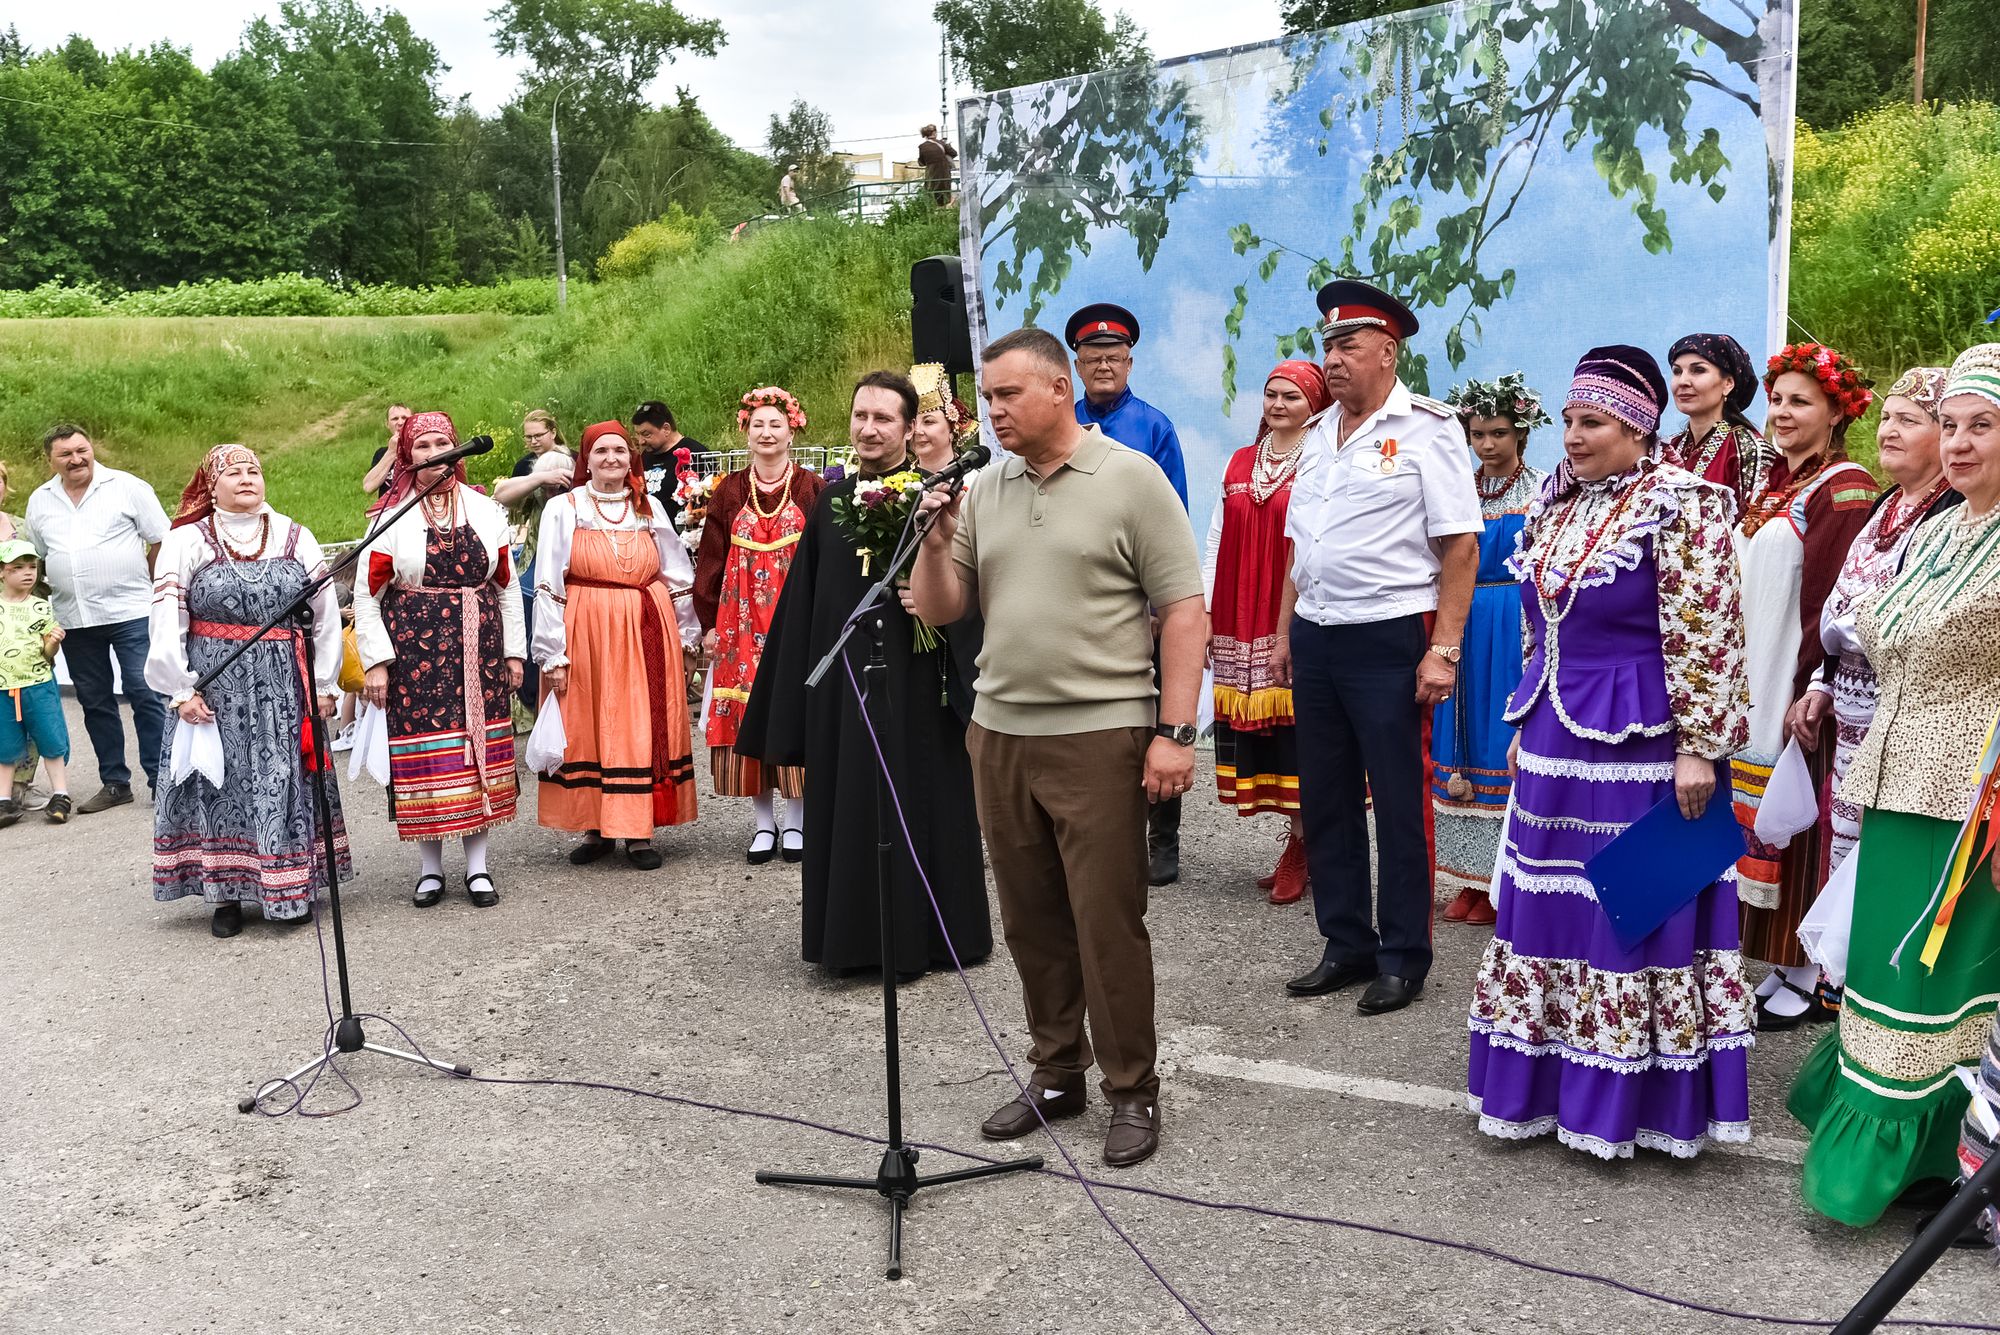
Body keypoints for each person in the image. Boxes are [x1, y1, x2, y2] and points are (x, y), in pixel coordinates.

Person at [910, 326, 1205, 1170]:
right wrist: (934, 541)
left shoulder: (1130, 478)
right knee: (1031, 918)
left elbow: (1183, 609)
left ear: (1057, 390)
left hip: (1100, 734)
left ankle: (1132, 1089)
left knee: (1107, 920)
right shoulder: (984, 487)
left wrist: (1174, 733)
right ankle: (1054, 1072)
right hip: (999, 732)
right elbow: (939, 608)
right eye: (988, 398)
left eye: (1006, 395)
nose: (990, 411)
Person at [1467, 345, 1754, 1160]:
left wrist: (1700, 745)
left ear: (1637, 427)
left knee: (1630, 906)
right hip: (1558, 740)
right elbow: (1537, 624)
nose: (1573, 435)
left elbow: (1708, 627)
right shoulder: (1557, 503)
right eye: (1567, 420)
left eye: (1590, 421)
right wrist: (1526, 722)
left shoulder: (1684, 503)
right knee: (1551, 907)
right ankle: (1544, 1087)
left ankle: (1634, 1104)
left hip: (1647, 745)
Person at [1787, 342, 2000, 1227]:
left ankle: (1953, 1159)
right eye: (1948, 425)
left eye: (1981, 426)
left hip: (1970, 799)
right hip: (1894, 773)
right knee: (1884, 970)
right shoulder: (1942, 527)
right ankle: (1909, 1158)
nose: (1957, 444)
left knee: (1936, 976)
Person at [737, 372, 992, 980]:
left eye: (884, 418)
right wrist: (796, 700)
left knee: (922, 794)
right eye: (860, 417)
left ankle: (936, 936)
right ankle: (851, 939)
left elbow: (979, 587)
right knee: (851, 801)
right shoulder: (830, 501)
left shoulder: (941, 498)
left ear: (910, 428)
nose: (869, 429)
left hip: (918, 682)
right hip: (850, 684)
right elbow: (806, 603)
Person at [1275, 280, 1482, 1016]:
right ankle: (1345, 942)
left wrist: (1444, 649)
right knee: (1325, 797)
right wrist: (1283, 631)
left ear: (1388, 352)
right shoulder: (1318, 434)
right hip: (1318, 634)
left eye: (1347, 346)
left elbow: (1460, 544)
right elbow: (1303, 544)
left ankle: (1401, 956)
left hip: (1392, 635)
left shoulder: (1428, 428)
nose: (1331, 359)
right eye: (1326, 346)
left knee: (1398, 802)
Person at [1731, 343, 1879, 1030]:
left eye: (1801, 401)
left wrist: (1810, 679)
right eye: (1779, 399)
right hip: (1753, 669)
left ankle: (1807, 965)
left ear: (1837, 412)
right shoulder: (1776, 483)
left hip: (1793, 671)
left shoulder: (1843, 489)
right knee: (1766, 815)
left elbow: (1831, 599)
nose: (1783, 412)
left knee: (1802, 815)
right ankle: (1779, 960)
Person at [146, 445, 350, 938]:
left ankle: (288, 890)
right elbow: (167, 617)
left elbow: (322, 617)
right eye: (232, 473)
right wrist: (181, 689)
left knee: (281, 779)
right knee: (220, 783)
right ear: (210, 487)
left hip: (285, 682)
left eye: (253, 471)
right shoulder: (186, 540)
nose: (245, 479)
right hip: (214, 681)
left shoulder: (295, 536)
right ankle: (226, 895)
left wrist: (324, 682)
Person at [1786, 366, 1960, 875]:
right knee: (1845, 859)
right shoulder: (1887, 504)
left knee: (1884, 864)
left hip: (1899, 718)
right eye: (1886, 418)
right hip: (1851, 711)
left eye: (1909, 420)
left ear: (1942, 433)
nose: (1888, 431)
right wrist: (1822, 683)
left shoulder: (1951, 512)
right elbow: (1841, 602)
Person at [353, 411, 525, 909]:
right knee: (428, 759)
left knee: (478, 757)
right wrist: (377, 661)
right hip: (416, 654)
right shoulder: (391, 516)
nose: (434, 452)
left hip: (479, 649)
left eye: (442, 443)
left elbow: (507, 588)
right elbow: (368, 595)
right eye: (423, 445)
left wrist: (513, 652)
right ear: (408, 456)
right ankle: (430, 870)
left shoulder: (485, 510)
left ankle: (478, 869)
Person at [533, 421, 700, 869]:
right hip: (586, 626)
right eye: (601, 451)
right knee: (588, 720)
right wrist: (552, 652)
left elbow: (678, 575)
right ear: (585, 460)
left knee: (641, 720)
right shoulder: (565, 509)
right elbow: (548, 583)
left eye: (621, 451)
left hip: (647, 622)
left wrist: (687, 638)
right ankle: (595, 827)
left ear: (632, 458)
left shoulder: (649, 508)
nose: (611, 459)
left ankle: (638, 830)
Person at [1065, 301, 1191, 887]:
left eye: (1115, 357)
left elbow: (1175, 523)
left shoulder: (1154, 428)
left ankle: (1161, 838)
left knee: (1150, 715)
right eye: (1094, 358)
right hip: (1072, 600)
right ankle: (1088, 831)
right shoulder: (1059, 424)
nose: (1105, 366)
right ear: (1077, 364)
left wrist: (1158, 608)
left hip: (1137, 605)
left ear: (1130, 361)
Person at [1200, 360, 1330, 905]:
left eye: (1292, 398)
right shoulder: (1239, 461)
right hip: (1238, 615)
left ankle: (1306, 849)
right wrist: (1206, 612)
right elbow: (1215, 538)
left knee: (1299, 734)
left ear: (1315, 406)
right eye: (1271, 394)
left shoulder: (1322, 462)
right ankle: (1303, 844)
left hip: (1289, 614)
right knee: (1267, 738)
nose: (1278, 405)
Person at [1432, 372, 1549, 925]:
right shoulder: (1458, 488)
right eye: (1477, 433)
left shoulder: (1545, 490)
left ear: (1520, 433)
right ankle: (1467, 881)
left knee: (1500, 738)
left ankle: (1502, 882)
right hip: (1463, 619)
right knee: (1461, 738)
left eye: (1498, 432)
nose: (1487, 444)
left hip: (1516, 621)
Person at [693, 387, 824, 863]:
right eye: (758, 425)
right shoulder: (728, 490)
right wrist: (708, 623)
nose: (766, 433)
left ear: (793, 431)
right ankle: (762, 825)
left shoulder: (812, 488)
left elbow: (823, 558)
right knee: (749, 716)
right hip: (739, 621)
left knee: (791, 710)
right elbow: (710, 560)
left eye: (776, 425)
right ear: (745, 433)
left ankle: (797, 823)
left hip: (795, 618)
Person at [26, 424, 171, 812]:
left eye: (81, 450)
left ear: (91, 448)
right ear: (50, 460)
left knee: (145, 693)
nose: (76, 459)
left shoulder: (127, 486)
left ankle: (163, 782)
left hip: (131, 611)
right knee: (95, 700)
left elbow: (161, 539)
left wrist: (151, 583)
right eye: (65, 454)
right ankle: (115, 783)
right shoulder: (40, 500)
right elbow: (41, 556)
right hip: (75, 618)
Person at [491, 409, 574, 713]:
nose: (533, 441)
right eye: (528, 436)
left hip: (572, 573)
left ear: (553, 431)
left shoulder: (576, 465)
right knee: (528, 645)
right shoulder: (529, 471)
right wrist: (539, 478)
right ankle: (538, 710)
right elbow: (500, 494)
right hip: (532, 573)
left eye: (538, 435)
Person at [0, 540, 71, 826]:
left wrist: (53, 643)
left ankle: (61, 794)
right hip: (3, 687)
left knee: (50, 738)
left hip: (37, 684)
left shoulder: (40, 608)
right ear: (2, 572)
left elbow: (47, 653)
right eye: (18, 568)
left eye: (32, 567)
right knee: (5, 745)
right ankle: (4, 799)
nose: (27, 573)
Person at [1662, 333, 1775, 511]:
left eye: (1698, 370)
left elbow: (1752, 528)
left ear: (1728, 383)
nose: (1682, 381)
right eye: (1677, 371)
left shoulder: (1749, 452)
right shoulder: (1668, 448)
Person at [633, 400, 706, 519]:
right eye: (638, 434)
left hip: (683, 533)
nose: (641, 441)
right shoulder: (645, 457)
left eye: (646, 434)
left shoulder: (695, 453)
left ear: (666, 429)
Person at [362, 403, 412, 498]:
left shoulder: (421, 450)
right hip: (389, 511)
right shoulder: (381, 453)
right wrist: (392, 452)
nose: (400, 422)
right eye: (395, 419)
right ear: (387, 424)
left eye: (404, 418)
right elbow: (368, 487)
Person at [918, 124, 957, 206]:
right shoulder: (942, 143)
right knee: (945, 195)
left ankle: (935, 212)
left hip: (931, 174)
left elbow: (921, 162)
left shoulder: (922, 147)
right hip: (944, 173)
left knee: (933, 196)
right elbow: (954, 153)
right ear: (934, 133)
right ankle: (945, 211)